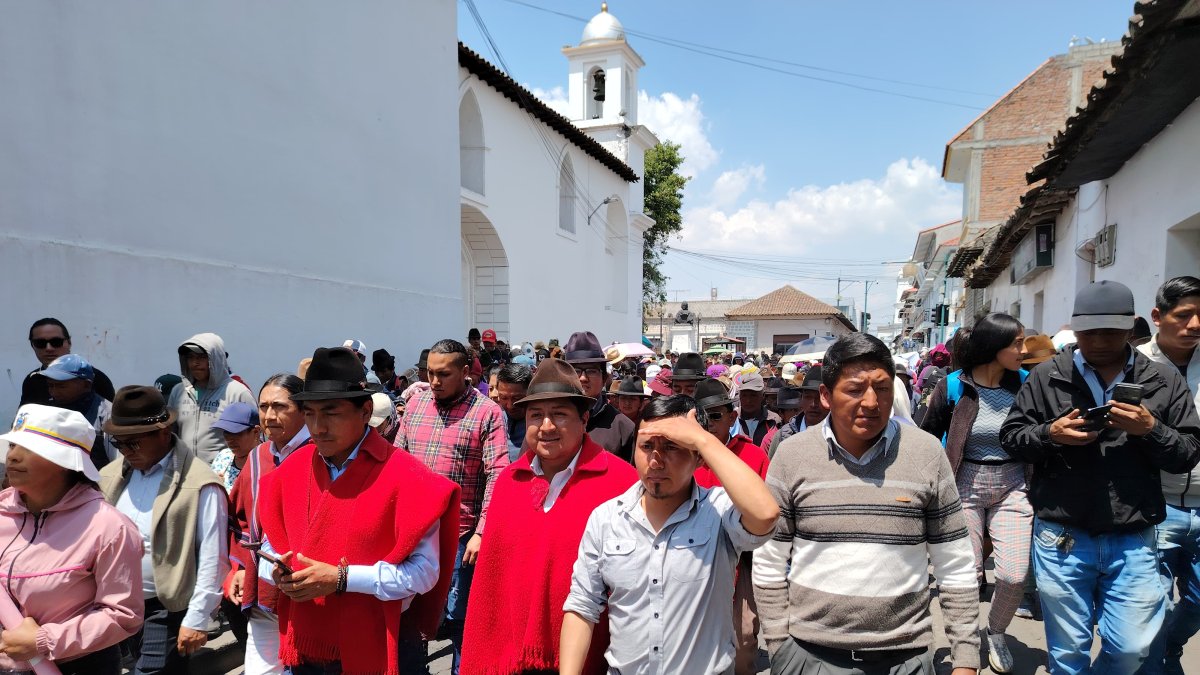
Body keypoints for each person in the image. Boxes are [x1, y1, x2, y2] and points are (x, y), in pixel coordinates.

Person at [1001, 280, 1200, 674]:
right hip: (1062, 535)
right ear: (1076, 327)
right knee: (1069, 653)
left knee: (1132, 649)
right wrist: (1049, 434)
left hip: (1134, 535)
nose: (1099, 340)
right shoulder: (1046, 375)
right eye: (1089, 331)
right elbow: (1012, 438)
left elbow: (1187, 453)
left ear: (1131, 327)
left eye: (1110, 331)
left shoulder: (1162, 380)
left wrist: (1150, 429)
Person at [754, 333, 980, 675]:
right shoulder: (792, 454)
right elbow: (770, 560)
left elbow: (955, 563)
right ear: (827, 396)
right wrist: (779, 646)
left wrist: (965, 659)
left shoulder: (926, 452)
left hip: (905, 659)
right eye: (856, 389)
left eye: (882, 387)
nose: (872, 402)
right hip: (808, 658)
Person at [255, 347, 459, 675]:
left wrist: (342, 579)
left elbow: (424, 573)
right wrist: (278, 573)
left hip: (382, 644)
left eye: (331, 413)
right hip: (307, 648)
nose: (317, 427)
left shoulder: (407, 476)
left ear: (365, 411)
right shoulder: (291, 472)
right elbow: (271, 545)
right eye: (309, 413)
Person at [560, 395, 778, 674]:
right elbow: (582, 607)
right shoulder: (607, 519)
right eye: (647, 446)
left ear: (699, 456)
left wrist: (703, 440)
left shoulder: (718, 511)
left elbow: (765, 514)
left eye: (672, 446)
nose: (655, 461)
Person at [460, 359, 637, 675]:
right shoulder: (508, 482)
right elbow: (491, 586)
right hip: (514, 657)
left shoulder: (621, 483)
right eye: (535, 415)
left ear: (584, 419)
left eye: (559, 414)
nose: (546, 426)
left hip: (590, 655)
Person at [918, 313, 1032, 673]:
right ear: (993, 347)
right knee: (965, 576)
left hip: (1014, 485)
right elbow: (925, 438)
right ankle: (964, 644)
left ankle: (996, 632)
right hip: (964, 485)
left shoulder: (1028, 385)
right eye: (1017, 343)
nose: (1024, 350)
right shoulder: (952, 386)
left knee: (1014, 574)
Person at [0, 405, 143, 674]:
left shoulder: (107, 527)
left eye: (28, 448)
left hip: (78, 666)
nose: (13, 457)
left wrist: (43, 641)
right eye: (12, 446)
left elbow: (124, 615)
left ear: (64, 463)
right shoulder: (3, 514)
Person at [395, 339, 509, 674]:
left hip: (459, 538)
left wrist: (482, 533)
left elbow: (497, 477)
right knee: (411, 618)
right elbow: (396, 462)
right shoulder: (415, 405)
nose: (434, 381)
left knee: (460, 619)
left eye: (443, 374)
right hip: (411, 533)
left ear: (465, 371)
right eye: (430, 373)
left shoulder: (487, 413)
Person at [100, 385, 228, 675]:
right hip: (115, 604)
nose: (125, 451)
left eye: (132, 443)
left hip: (165, 609)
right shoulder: (110, 476)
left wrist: (197, 618)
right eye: (119, 443)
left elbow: (213, 556)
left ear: (163, 432)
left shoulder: (200, 483)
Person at [1137, 276, 1200, 674]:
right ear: (1158, 316)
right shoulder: (1132, 366)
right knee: (1151, 606)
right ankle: (1156, 662)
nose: (1194, 325)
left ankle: (1170, 647)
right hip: (1153, 507)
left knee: (1196, 603)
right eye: (1185, 315)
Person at [227, 374, 310, 675]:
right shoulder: (258, 457)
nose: (269, 416)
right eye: (263, 407)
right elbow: (239, 517)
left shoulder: (319, 454)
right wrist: (239, 567)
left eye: (279, 406)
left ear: (303, 410)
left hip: (306, 592)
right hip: (263, 589)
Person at [691, 378, 770, 675]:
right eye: (701, 417)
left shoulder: (753, 456)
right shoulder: (683, 455)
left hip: (745, 562)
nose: (708, 423)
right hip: (694, 560)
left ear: (732, 417)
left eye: (715, 416)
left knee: (744, 638)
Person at [167, 333, 256, 464]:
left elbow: (255, 438)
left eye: (202, 357)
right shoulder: (178, 391)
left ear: (216, 359)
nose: (195, 363)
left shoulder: (237, 392)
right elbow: (169, 435)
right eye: (190, 357)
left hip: (223, 476)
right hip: (184, 474)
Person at [36, 353, 117, 471]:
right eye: (50, 386)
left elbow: (116, 465)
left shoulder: (107, 415)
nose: (54, 392)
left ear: (86, 385)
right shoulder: (46, 411)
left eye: (61, 386)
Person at [564, 332, 635, 460]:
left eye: (591, 371)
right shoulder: (548, 421)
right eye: (576, 371)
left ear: (604, 378)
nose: (583, 378)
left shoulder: (623, 427)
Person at [20, 318, 115, 406]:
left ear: (69, 343)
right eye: (40, 343)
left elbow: (111, 418)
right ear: (32, 346)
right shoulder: (32, 380)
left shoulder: (95, 379)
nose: (49, 348)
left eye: (56, 342)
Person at [764, 366, 829, 460]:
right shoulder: (782, 436)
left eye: (819, 398)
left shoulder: (841, 436)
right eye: (808, 397)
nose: (813, 404)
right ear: (801, 400)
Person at [210, 402, 261, 492]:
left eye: (236, 433)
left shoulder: (269, 461)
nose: (230, 439)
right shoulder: (223, 457)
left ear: (256, 432)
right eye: (226, 433)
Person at [495, 363, 533, 463]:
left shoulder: (541, 424)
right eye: (503, 398)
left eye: (517, 399)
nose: (510, 406)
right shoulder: (493, 420)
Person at [730, 372, 780, 447]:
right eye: (744, 395)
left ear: (762, 396)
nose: (748, 401)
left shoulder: (774, 420)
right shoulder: (732, 420)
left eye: (753, 395)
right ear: (739, 396)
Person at [758, 387, 800, 456]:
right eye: (794, 410)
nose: (798, 414)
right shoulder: (770, 439)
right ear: (781, 413)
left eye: (800, 409)